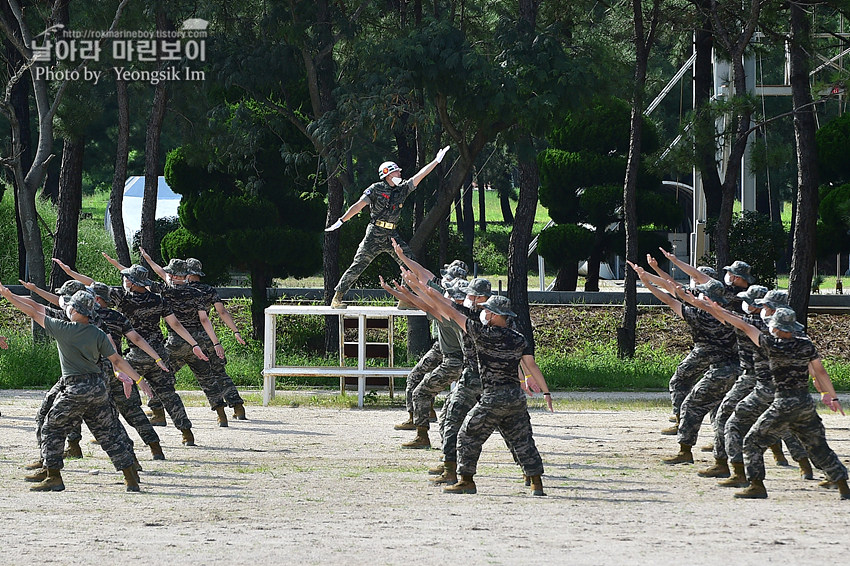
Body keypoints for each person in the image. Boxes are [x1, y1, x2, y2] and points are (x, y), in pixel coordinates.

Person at [399, 268, 547, 496]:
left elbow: (449, 308)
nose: (486, 313)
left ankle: (464, 478)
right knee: (520, 436)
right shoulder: (518, 336)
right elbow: (527, 363)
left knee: (465, 432)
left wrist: (421, 286)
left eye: (489, 310)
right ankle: (535, 480)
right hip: (513, 396)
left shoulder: (481, 332)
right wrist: (537, 387)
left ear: (495, 313)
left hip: (489, 391)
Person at [692, 301, 849, 500]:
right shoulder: (805, 345)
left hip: (783, 403)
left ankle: (756, 485)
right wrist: (832, 396)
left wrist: (713, 308)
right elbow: (820, 372)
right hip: (805, 404)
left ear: (777, 328)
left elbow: (743, 326)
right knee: (818, 446)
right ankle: (843, 485)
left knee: (752, 442)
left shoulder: (770, 344)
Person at [0, 286, 149, 492]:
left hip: (75, 388)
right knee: (108, 433)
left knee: (52, 427)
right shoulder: (98, 333)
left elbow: (33, 312)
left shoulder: (63, 329)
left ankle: (53, 477)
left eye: (70, 306)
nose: (67, 308)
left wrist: (8, 296)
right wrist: (139, 380)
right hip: (98, 388)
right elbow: (117, 360)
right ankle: (131, 478)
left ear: (77, 311)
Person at [53, 259, 206, 445]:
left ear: (133, 282)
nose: (124, 280)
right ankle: (186, 432)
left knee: (120, 396)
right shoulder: (158, 299)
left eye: (127, 278)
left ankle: (109, 432)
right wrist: (193, 344)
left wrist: (70, 272)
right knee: (168, 394)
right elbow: (174, 324)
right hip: (158, 351)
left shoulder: (123, 299)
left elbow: (93, 286)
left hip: (135, 355)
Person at [20, 279, 168, 462]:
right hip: (116, 369)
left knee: (67, 407)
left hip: (87, 372)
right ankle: (154, 449)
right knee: (129, 411)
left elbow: (37, 308)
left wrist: (14, 294)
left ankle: (69, 449)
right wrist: (148, 364)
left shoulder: (71, 317)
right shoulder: (114, 316)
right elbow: (135, 339)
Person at [629, 259, 737, 466]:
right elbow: (676, 290)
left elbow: (671, 297)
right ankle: (722, 453)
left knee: (690, 403)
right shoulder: (731, 313)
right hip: (736, 367)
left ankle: (687, 451)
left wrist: (648, 281)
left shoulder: (699, 316)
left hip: (717, 366)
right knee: (721, 408)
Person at [324, 145, 450, 309]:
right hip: (374, 234)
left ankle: (405, 299)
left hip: (391, 234)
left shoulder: (402, 189)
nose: (400, 173)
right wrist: (341, 220)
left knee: (410, 262)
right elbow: (358, 206)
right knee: (358, 265)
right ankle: (337, 298)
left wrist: (435, 162)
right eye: (397, 171)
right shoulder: (375, 189)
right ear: (388, 174)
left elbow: (420, 176)